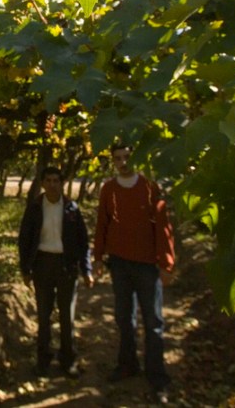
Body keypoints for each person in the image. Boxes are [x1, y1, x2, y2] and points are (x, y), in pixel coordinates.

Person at [93, 143, 175, 404]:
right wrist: (96, 257)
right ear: (113, 162)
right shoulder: (109, 189)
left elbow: (163, 225)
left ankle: (157, 375)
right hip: (119, 264)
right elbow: (101, 224)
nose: (123, 162)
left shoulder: (150, 187)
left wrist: (167, 263)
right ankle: (127, 364)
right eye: (118, 158)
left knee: (153, 322)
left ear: (136, 157)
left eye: (127, 157)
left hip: (147, 266)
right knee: (124, 318)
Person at [18, 166, 94, 378]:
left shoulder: (71, 208)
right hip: (42, 265)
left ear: (62, 184)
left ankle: (68, 360)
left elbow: (83, 242)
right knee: (44, 316)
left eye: (56, 181)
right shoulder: (34, 208)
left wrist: (86, 269)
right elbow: (24, 239)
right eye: (48, 180)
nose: (52, 184)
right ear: (42, 183)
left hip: (66, 266)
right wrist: (25, 268)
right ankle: (43, 360)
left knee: (66, 316)